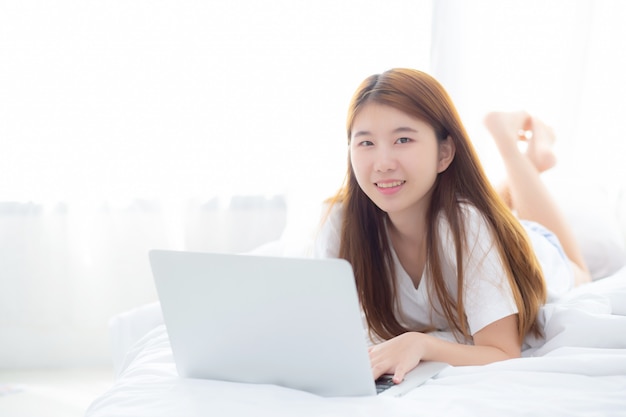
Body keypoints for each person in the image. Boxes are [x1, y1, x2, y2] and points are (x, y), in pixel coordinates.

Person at [313, 68, 592, 384]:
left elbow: (502, 352)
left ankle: (506, 140)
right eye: (365, 143)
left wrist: (421, 343)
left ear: (444, 153)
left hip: (533, 248)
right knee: (490, 214)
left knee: (579, 269)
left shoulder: (468, 227)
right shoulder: (339, 221)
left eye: (402, 139)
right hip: (472, 225)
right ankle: (515, 179)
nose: (382, 162)